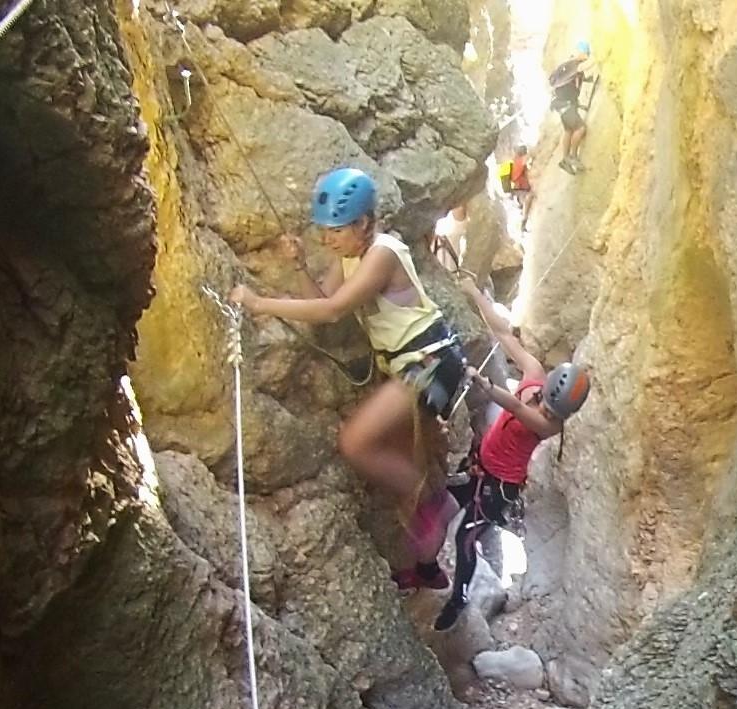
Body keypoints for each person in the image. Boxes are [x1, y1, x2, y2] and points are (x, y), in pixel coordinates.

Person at [231, 167, 466, 590]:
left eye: (336, 230)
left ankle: (432, 507)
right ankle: (430, 555)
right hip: (411, 363)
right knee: (401, 453)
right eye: (323, 231)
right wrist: (301, 264)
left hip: (429, 363)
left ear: (363, 223)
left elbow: (334, 310)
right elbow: (320, 302)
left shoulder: (384, 253)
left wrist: (258, 303)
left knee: (356, 443)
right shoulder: (353, 254)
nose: (328, 239)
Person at [433, 275, 592, 630]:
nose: (548, 415)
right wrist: (475, 293)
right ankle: (427, 565)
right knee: (439, 500)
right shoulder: (533, 374)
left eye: (555, 412)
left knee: (466, 537)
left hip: (499, 487)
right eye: (549, 406)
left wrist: (487, 385)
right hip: (480, 465)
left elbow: (518, 410)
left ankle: (458, 599)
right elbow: (504, 335)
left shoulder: (549, 425)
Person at [548, 41, 593, 173]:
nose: (586, 56)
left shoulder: (568, 66)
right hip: (566, 105)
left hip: (561, 105)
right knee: (580, 128)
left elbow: (575, 81)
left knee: (568, 131)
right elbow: (585, 67)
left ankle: (565, 159)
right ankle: (573, 156)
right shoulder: (574, 65)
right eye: (586, 53)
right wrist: (600, 57)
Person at [503, 146, 535, 228]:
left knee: (526, 200)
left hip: (518, 189)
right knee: (529, 197)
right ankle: (523, 222)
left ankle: (523, 222)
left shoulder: (514, 162)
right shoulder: (520, 161)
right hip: (520, 187)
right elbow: (528, 158)